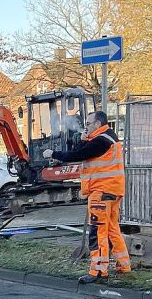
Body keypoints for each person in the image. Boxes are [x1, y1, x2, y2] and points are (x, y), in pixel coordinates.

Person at [44, 110, 131, 283]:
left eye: (89, 124)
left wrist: (53, 154)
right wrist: (84, 139)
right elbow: (84, 151)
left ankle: (98, 271)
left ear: (98, 124)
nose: (86, 127)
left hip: (101, 191)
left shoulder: (101, 141)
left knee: (97, 231)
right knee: (112, 229)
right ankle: (124, 265)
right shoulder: (108, 137)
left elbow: (78, 155)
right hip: (112, 190)